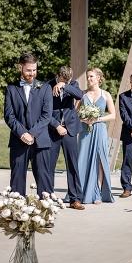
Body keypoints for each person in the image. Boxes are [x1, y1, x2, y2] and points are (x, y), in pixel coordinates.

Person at [4, 53, 53, 198]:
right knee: (17, 180)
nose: (32, 73)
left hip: (41, 141)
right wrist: (23, 134)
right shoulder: (11, 89)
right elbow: (9, 116)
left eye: (34, 70)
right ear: (20, 67)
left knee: (44, 180)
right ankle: (17, 216)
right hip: (18, 141)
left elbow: (47, 115)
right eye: (28, 70)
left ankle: (46, 215)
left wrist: (32, 133)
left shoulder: (45, 88)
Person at [48, 66, 85, 210]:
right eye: (63, 80)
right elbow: (44, 111)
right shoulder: (47, 86)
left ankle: (75, 198)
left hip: (70, 130)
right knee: (49, 165)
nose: (67, 83)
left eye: (68, 81)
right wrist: (56, 125)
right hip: (53, 130)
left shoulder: (72, 85)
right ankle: (48, 197)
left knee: (73, 165)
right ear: (57, 76)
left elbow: (79, 95)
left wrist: (64, 85)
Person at [77, 68, 116, 204]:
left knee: (100, 161)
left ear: (99, 78)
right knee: (83, 158)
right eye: (87, 77)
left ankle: (97, 193)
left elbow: (113, 115)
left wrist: (97, 119)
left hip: (99, 129)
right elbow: (75, 114)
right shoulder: (81, 94)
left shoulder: (106, 95)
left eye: (91, 77)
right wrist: (84, 119)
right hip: (84, 130)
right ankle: (80, 191)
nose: (88, 79)